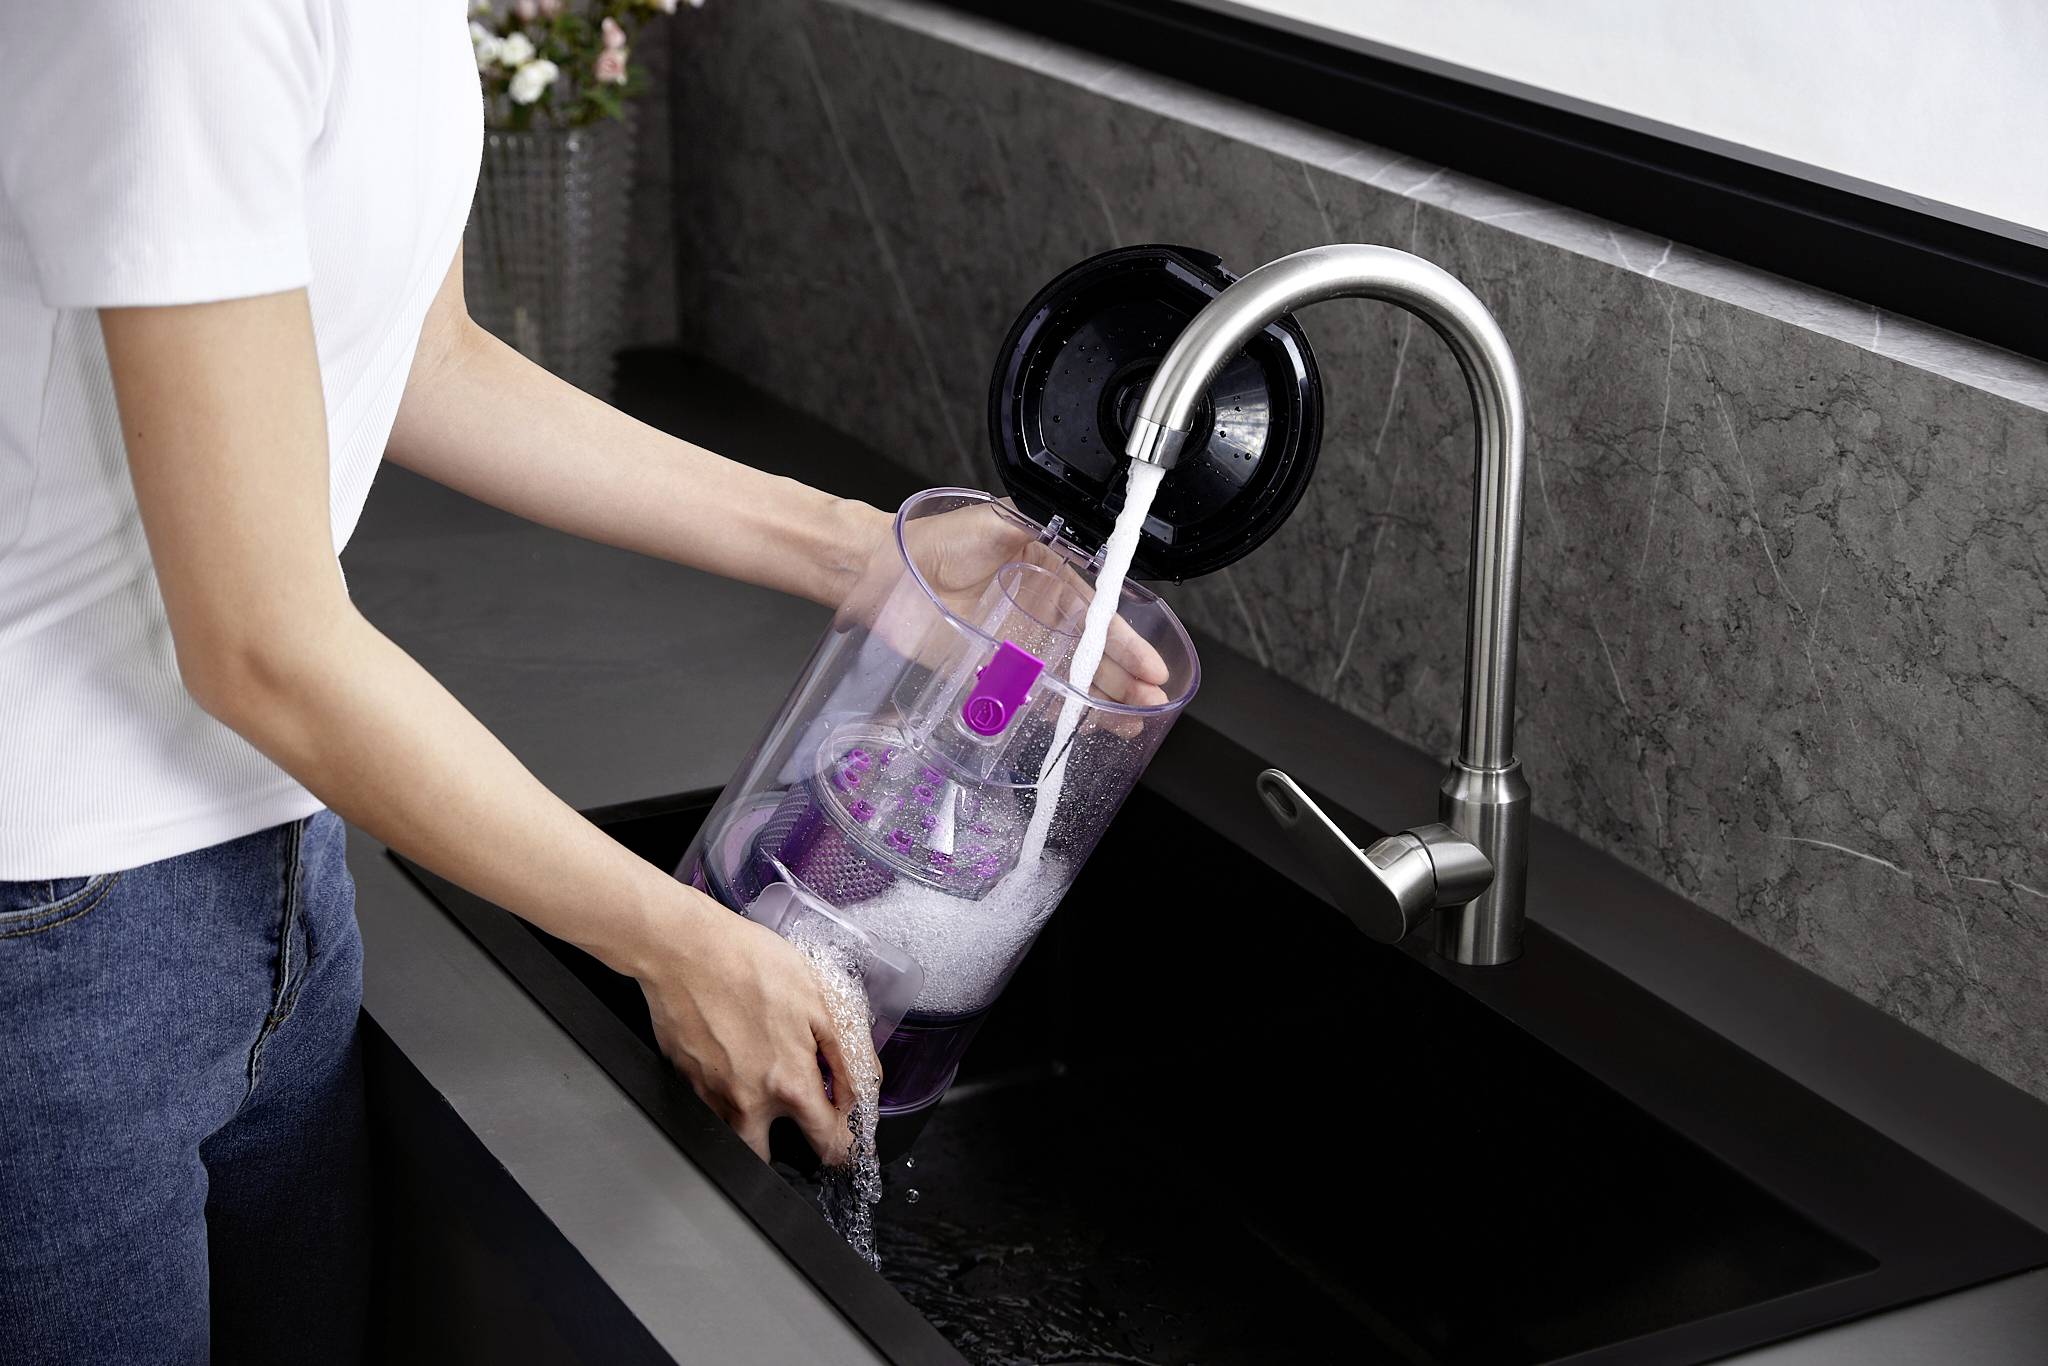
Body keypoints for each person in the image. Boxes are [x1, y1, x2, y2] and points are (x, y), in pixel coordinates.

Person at [0, 4, 1166, 1364]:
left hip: (274, 851)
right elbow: (262, 639)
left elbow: (426, 359)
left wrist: (864, 551)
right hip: (56, 928)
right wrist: (671, 939)